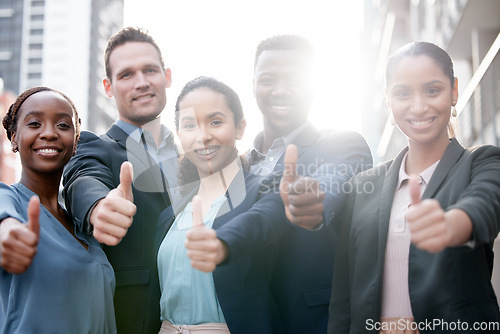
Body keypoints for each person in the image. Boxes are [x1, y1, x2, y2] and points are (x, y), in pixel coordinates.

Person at [328, 41, 500, 334]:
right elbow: (343, 296)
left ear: (454, 91)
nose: (418, 106)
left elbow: (485, 204)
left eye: (432, 90)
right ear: (388, 99)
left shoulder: (482, 162)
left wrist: (452, 224)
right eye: (403, 93)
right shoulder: (362, 187)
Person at [246, 34, 373, 333]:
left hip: (310, 324)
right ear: (253, 84)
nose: (281, 90)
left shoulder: (342, 144)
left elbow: (334, 179)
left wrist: (311, 200)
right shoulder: (236, 164)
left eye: (295, 79)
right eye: (268, 79)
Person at [62, 27, 178, 334]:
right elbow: (83, 178)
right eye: (126, 74)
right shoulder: (93, 147)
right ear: (108, 87)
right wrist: (99, 207)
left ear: (166, 76)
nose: (141, 82)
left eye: (150, 70)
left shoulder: (192, 157)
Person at [157, 76, 290, 334]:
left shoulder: (265, 190)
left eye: (216, 122)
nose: (203, 136)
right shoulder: (168, 216)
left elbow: (261, 221)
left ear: (240, 128)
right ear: (179, 134)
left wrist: (221, 243)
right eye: (190, 125)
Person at [0, 86, 116, 333]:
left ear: (75, 144)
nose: (49, 133)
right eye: (34, 124)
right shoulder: (9, 201)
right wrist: (7, 231)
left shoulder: (80, 226)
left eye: (63, 125)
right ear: (13, 138)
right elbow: (4, 219)